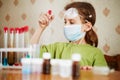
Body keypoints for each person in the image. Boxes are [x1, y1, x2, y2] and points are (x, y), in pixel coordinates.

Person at [30, 2, 107, 69]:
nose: (66, 26)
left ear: (87, 27)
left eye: (72, 22)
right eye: (65, 22)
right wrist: (40, 28)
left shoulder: (96, 53)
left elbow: (104, 76)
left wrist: (92, 72)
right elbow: (31, 54)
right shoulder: (57, 48)